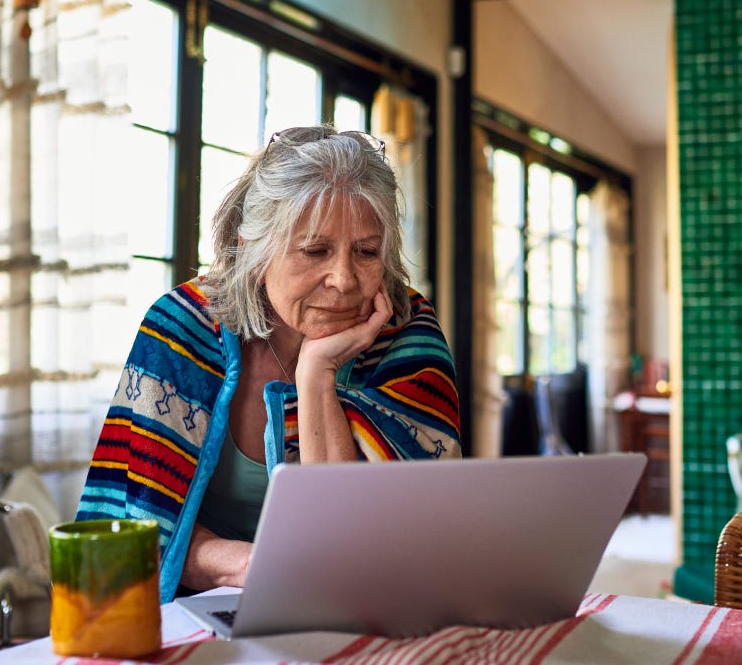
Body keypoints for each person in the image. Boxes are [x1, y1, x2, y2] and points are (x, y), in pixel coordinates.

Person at [75, 126, 461, 603]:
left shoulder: (408, 335)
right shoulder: (180, 329)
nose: (343, 279)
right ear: (254, 251)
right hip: (195, 607)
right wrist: (250, 564)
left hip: (366, 610)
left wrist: (317, 374)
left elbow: (371, 546)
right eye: (315, 250)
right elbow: (138, 526)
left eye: (366, 251)